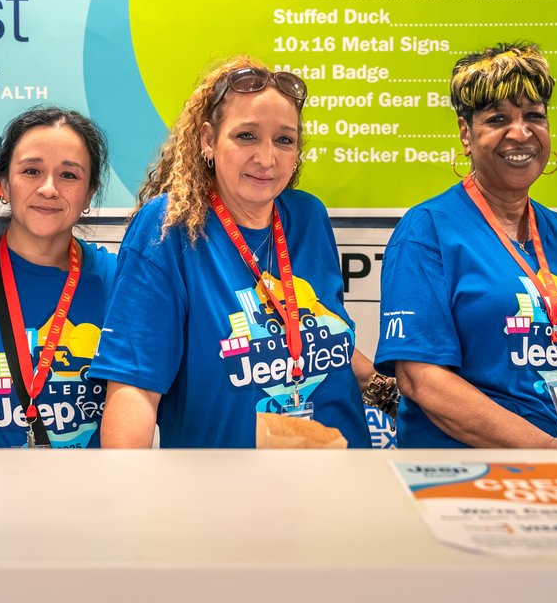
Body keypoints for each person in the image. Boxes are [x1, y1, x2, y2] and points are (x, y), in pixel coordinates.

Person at [92, 56, 380, 448]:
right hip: (225, 495)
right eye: (246, 136)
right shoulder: (169, 228)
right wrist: (126, 495)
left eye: (284, 139)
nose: (266, 158)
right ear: (209, 140)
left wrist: (388, 392)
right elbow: (135, 388)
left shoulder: (307, 215)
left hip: (341, 477)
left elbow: (321, 330)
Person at [375, 43, 557, 449]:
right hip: (479, 477)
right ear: (466, 134)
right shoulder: (428, 229)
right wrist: (552, 450)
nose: (520, 133)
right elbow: (421, 379)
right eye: (498, 118)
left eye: (534, 116)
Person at [0, 107, 115, 448]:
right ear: (4, 184)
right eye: (32, 171)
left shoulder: (120, 280)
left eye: (69, 176)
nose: (49, 188)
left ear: (89, 193)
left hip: (94, 497)